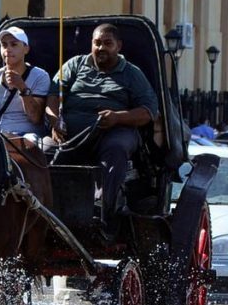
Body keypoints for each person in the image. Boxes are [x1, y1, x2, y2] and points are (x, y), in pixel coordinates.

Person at [46, 23, 159, 240]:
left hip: (115, 132)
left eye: (107, 43)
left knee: (115, 150)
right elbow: (52, 94)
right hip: (71, 135)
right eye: (97, 43)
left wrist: (118, 118)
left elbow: (148, 111)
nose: (101, 48)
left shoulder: (132, 74)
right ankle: (45, 214)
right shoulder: (75, 65)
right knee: (43, 151)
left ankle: (105, 215)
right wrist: (54, 121)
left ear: (118, 46)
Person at [0, 26, 51, 139]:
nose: (8, 49)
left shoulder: (40, 76)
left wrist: (22, 87)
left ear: (26, 49)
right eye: (4, 45)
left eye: (14, 44)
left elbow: (35, 117)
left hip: (27, 136)